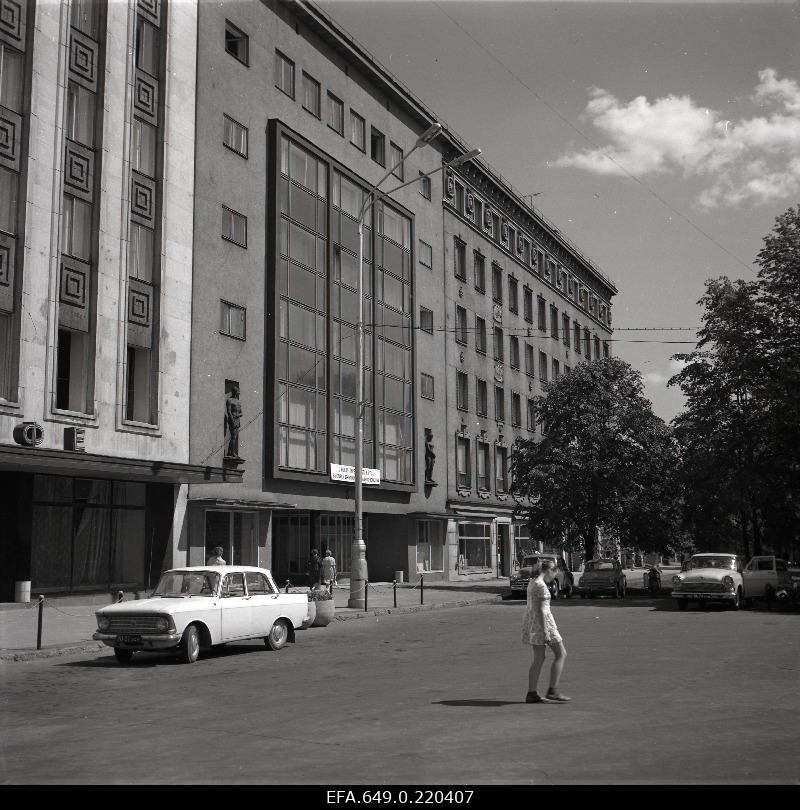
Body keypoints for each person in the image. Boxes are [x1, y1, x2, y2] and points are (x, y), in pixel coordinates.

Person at [522, 559, 570, 704]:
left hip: (533, 624)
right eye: (554, 573)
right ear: (549, 570)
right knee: (561, 654)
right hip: (545, 625)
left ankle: (531, 693)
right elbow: (542, 611)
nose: (553, 578)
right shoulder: (541, 585)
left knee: (539, 658)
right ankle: (552, 691)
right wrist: (546, 632)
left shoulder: (532, 582)